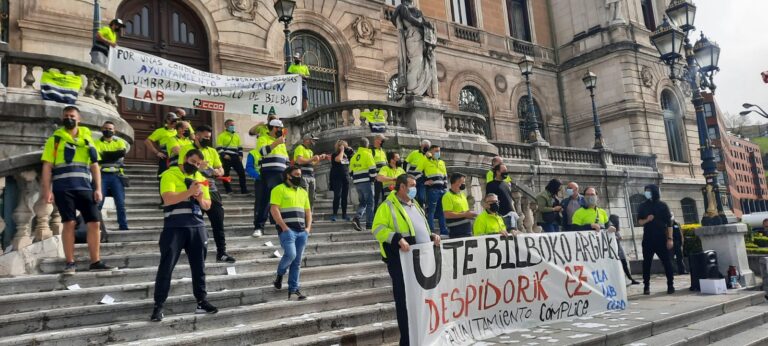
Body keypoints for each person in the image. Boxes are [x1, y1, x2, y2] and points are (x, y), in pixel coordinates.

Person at [40, 106, 112, 275]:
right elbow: (47, 166)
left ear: (79, 119)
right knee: (69, 223)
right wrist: (46, 189)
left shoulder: (88, 139)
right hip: (63, 188)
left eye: (72, 116)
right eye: (66, 116)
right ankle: (70, 263)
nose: (69, 118)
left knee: (94, 223)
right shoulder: (55, 139)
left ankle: (95, 261)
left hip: (85, 188)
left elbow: (95, 166)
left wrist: (98, 189)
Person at [372, 174, 439, 346]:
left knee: (421, 302)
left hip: (420, 261)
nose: (414, 188)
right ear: (401, 187)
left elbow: (420, 229)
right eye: (411, 185)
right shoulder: (387, 206)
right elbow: (377, 228)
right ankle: (407, 342)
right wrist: (396, 238)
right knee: (405, 304)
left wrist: (431, 236)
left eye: (415, 185)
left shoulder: (415, 204)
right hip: (401, 262)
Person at [151, 149, 218, 321]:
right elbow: (167, 199)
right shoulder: (169, 175)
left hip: (197, 226)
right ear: (184, 159)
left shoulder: (201, 179)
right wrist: (189, 192)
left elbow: (208, 206)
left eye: (197, 163)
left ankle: (201, 301)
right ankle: (158, 305)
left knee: (199, 267)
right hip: (174, 227)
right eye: (193, 161)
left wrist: (200, 197)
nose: (195, 165)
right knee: (166, 267)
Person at [180, 125, 235, 263]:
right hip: (195, 189)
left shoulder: (212, 151)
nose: (208, 139)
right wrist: (197, 167)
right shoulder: (187, 149)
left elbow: (221, 169)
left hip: (212, 190)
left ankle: (221, 252)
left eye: (209, 137)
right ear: (197, 135)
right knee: (191, 223)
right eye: (205, 137)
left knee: (218, 222)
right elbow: (181, 167)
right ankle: (187, 250)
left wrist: (218, 172)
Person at [271, 165, 313, 301]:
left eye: (300, 174)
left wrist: (308, 229)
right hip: (287, 230)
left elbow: (308, 212)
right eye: (296, 174)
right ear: (288, 175)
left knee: (297, 262)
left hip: (302, 232)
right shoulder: (278, 189)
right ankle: (280, 273)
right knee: (291, 254)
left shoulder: (303, 192)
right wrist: (284, 227)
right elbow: (274, 209)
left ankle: (294, 290)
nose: (299, 177)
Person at [252, 119, 289, 237]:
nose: (281, 131)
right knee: (265, 200)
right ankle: (259, 227)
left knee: (280, 201)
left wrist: (288, 172)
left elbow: (286, 159)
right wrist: (275, 143)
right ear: (274, 128)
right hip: (268, 173)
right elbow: (262, 152)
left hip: (281, 173)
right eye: (280, 128)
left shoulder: (282, 142)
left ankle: (280, 225)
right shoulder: (263, 138)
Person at [638, 184, 675, 295]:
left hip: (661, 238)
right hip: (648, 238)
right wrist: (647, 220)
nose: (647, 193)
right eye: (645, 191)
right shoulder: (642, 206)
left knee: (667, 262)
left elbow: (669, 224)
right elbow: (639, 221)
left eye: (649, 190)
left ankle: (670, 285)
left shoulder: (663, 205)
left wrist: (670, 239)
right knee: (646, 263)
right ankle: (646, 286)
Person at [94, 121, 128, 231]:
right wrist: (113, 155)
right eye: (106, 128)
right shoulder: (96, 143)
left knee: (120, 204)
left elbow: (121, 154)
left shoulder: (120, 142)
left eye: (110, 129)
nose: (108, 130)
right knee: (98, 203)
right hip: (102, 175)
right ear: (102, 129)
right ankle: (97, 228)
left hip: (117, 176)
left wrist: (105, 155)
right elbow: (98, 158)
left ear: (114, 131)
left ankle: (123, 226)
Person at [145, 112, 180, 205]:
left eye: (176, 120)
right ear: (167, 120)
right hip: (166, 157)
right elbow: (147, 141)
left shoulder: (178, 130)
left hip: (177, 157)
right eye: (173, 120)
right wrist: (157, 152)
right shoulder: (160, 131)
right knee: (163, 178)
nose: (175, 122)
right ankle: (164, 201)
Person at [418, 145, 449, 235]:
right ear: (431, 152)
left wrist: (445, 184)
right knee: (431, 211)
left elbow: (445, 175)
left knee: (442, 211)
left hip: (442, 190)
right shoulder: (425, 160)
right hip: (432, 190)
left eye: (439, 151)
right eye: (436, 151)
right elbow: (417, 173)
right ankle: (431, 230)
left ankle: (443, 230)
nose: (438, 153)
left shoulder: (441, 162)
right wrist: (424, 182)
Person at [350, 137, 377, 232]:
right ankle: (369, 224)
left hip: (357, 183)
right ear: (367, 145)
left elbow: (350, 172)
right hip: (367, 182)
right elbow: (373, 169)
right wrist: (373, 180)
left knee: (363, 202)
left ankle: (356, 218)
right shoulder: (368, 154)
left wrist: (356, 179)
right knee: (370, 203)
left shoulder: (354, 156)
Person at [294, 134, 326, 210]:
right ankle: (303, 215)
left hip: (311, 176)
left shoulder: (310, 151)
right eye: (313, 140)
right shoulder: (300, 148)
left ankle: (309, 216)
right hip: (303, 176)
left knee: (311, 198)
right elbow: (299, 161)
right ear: (307, 140)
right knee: (304, 197)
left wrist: (319, 159)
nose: (314, 142)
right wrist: (312, 158)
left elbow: (312, 164)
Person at [216, 119, 248, 195]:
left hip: (235, 157)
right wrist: (224, 155)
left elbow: (239, 147)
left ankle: (244, 191)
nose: (233, 127)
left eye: (233, 125)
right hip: (226, 157)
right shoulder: (221, 135)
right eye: (231, 125)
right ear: (226, 126)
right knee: (226, 174)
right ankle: (228, 190)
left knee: (242, 173)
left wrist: (241, 155)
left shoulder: (237, 136)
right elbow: (218, 148)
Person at [485, 164, 519, 231]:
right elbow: (489, 200)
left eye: (506, 170)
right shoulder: (491, 185)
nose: (506, 172)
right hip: (502, 216)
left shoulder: (506, 184)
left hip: (512, 216)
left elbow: (510, 200)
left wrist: (515, 212)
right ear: (497, 172)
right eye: (504, 171)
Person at [609, 214, 640, 285]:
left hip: (619, 248)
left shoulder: (615, 229)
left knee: (624, 264)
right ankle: (625, 279)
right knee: (619, 265)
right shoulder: (610, 227)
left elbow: (618, 237)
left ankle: (630, 279)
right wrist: (617, 238)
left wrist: (619, 238)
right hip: (614, 249)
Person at [443, 173, 476, 238]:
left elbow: (465, 212)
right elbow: (447, 214)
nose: (464, 184)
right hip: (456, 232)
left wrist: (471, 215)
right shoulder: (447, 196)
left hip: (467, 230)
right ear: (456, 182)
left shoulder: (463, 195)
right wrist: (465, 215)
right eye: (462, 182)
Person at [330, 140, 353, 222]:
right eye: (344, 146)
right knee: (337, 195)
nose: (345, 147)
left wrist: (350, 151)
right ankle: (334, 214)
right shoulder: (335, 155)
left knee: (344, 197)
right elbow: (339, 160)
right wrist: (342, 150)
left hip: (345, 177)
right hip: (337, 178)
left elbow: (349, 163)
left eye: (346, 146)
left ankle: (344, 214)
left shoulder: (346, 156)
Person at [405, 139, 430, 206]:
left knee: (421, 198)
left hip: (420, 180)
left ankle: (421, 210)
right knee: (411, 196)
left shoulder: (428, 157)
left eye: (428, 146)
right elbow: (405, 162)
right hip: (411, 179)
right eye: (425, 146)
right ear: (421, 145)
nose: (426, 147)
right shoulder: (414, 153)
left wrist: (430, 157)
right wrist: (404, 174)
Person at [371, 134, 388, 207]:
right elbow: (369, 165)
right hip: (376, 179)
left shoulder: (383, 151)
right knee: (375, 197)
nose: (383, 142)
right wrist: (374, 176)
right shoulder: (371, 151)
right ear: (377, 140)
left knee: (385, 196)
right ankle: (374, 214)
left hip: (384, 178)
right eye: (382, 140)